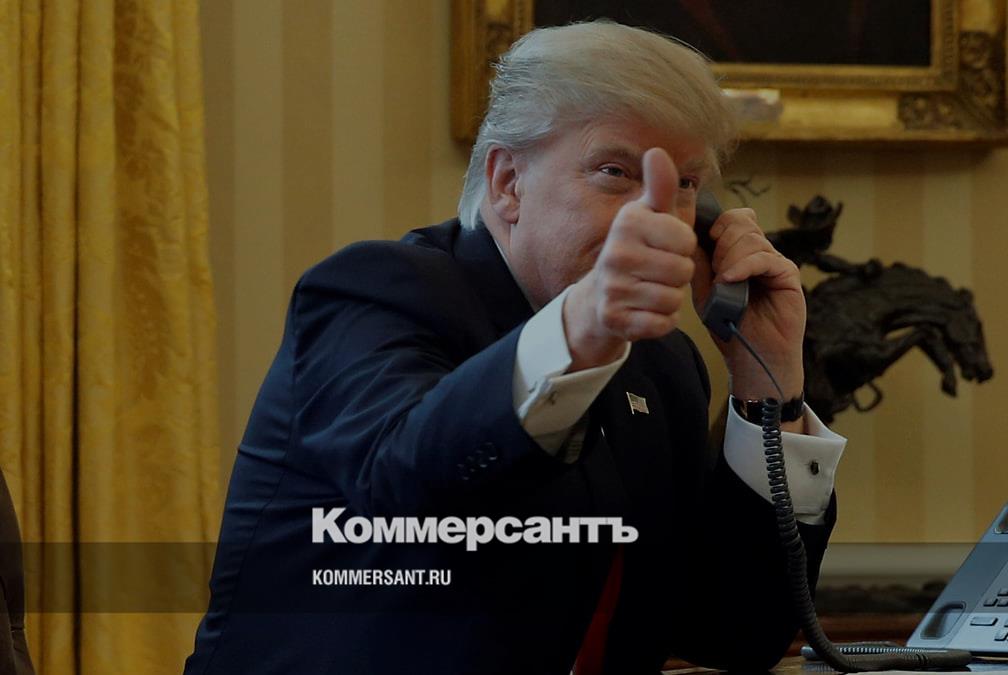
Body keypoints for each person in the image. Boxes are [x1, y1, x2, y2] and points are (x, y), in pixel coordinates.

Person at [185, 20, 846, 675]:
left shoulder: (663, 365)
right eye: (616, 173)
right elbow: (409, 489)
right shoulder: (374, 292)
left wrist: (770, 386)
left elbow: (733, 633)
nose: (657, 217)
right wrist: (580, 330)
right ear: (507, 182)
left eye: (686, 186)